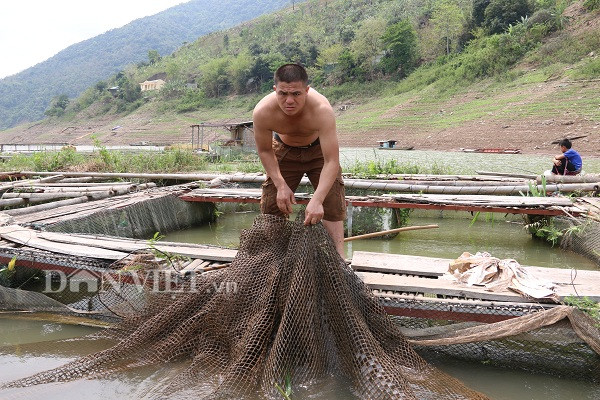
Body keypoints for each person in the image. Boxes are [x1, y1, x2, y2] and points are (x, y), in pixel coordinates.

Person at [252, 63, 346, 257]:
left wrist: (317, 199)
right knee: (272, 205)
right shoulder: (262, 111)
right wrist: (280, 185)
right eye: (283, 94)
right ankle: (273, 259)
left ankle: (337, 261)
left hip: (319, 152)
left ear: (307, 90)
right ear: (275, 90)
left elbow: (331, 161)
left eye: (296, 94)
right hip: (284, 151)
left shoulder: (322, 110)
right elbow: (265, 150)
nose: (289, 101)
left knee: (332, 203)